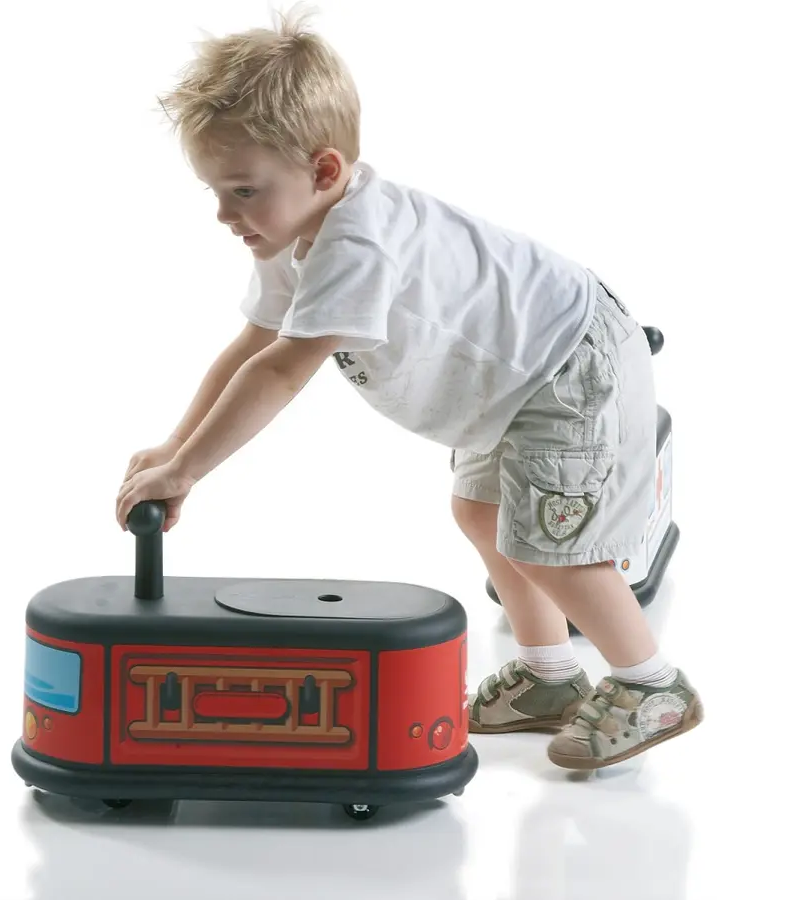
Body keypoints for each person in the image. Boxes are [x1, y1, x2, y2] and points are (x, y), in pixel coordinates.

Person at [115, 6, 703, 770]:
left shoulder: (357, 242)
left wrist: (188, 470)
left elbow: (282, 370)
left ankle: (651, 684)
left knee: (554, 550)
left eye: (244, 191)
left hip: (568, 365)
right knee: (481, 513)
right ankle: (549, 675)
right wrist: (176, 448)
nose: (226, 214)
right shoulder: (288, 233)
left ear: (324, 171)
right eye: (216, 193)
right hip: (516, 383)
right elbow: (254, 344)